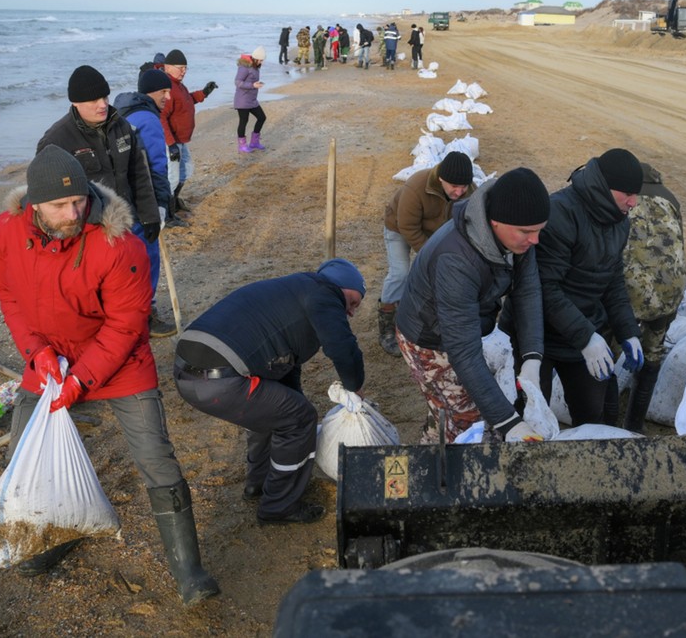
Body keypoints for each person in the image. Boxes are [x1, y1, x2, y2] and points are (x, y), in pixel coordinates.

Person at [0, 146, 219, 605]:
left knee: (156, 458)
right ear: (34, 204)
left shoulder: (120, 244)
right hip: (49, 359)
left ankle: (189, 572)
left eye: (78, 202)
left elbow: (127, 325)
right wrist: (36, 352)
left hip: (120, 362)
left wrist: (81, 381)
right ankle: (56, 534)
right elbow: (6, 292)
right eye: (59, 206)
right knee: (23, 455)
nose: (73, 213)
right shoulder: (7, 231)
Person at [173, 259, 366, 524]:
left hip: (187, 369)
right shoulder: (324, 292)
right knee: (300, 419)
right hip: (220, 379)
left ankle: (260, 484)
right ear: (341, 285)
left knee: (274, 410)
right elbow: (343, 346)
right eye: (353, 302)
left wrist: (294, 396)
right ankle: (279, 506)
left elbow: (286, 368)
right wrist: (355, 387)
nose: (352, 313)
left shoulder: (291, 292)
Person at [395, 167, 550, 444]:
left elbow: (527, 291)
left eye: (540, 230)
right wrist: (510, 424)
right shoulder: (456, 259)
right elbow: (463, 351)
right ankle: (446, 472)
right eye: (527, 232)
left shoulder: (517, 240)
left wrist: (532, 357)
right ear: (495, 222)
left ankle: (432, 442)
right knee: (469, 422)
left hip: (464, 327)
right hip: (429, 338)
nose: (535, 240)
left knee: (453, 404)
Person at [528, 149, 644, 427]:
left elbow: (613, 280)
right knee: (533, 416)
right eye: (627, 193)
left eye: (636, 193)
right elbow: (545, 289)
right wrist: (586, 338)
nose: (634, 202)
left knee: (593, 416)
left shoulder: (619, 222)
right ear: (604, 187)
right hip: (538, 337)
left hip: (584, 334)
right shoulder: (559, 214)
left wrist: (628, 331)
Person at [37, 65, 163, 276]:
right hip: (90, 228)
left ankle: (147, 306)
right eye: (94, 100)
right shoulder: (56, 141)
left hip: (130, 217)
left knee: (142, 266)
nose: (103, 105)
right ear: (75, 103)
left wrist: (151, 216)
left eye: (105, 97)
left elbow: (139, 174)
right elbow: (46, 198)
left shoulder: (122, 127)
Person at [379, 151, 476, 356]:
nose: (459, 192)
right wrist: (430, 255)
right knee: (401, 273)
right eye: (454, 187)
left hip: (437, 231)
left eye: (464, 187)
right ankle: (387, 321)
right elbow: (407, 226)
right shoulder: (416, 186)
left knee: (444, 272)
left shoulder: (469, 191)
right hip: (399, 227)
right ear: (441, 179)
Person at [620, 162, 686, 433]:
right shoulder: (670, 197)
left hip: (628, 293)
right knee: (652, 355)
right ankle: (634, 424)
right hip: (670, 292)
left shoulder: (623, 198)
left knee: (607, 346)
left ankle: (601, 417)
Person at [114, 68, 180, 338]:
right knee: (146, 258)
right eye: (163, 91)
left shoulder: (121, 112)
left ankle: (126, 314)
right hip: (143, 202)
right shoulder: (148, 119)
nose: (167, 96)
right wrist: (161, 204)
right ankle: (145, 315)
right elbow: (156, 165)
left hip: (121, 198)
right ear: (150, 92)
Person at [160, 48, 218, 215]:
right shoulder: (168, 88)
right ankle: (168, 214)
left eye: (185, 68)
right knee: (172, 178)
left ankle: (175, 202)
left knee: (186, 171)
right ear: (167, 67)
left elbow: (187, 101)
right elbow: (161, 117)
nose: (184, 71)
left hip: (181, 140)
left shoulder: (179, 85)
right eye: (180, 67)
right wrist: (170, 145)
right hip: (172, 141)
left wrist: (205, 92)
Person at [234, 47, 266, 153]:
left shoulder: (256, 66)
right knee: (244, 121)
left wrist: (257, 84)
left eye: (262, 60)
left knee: (262, 117)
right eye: (260, 60)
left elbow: (252, 80)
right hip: (242, 100)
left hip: (252, 99)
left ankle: (254, 142)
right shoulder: (244, 67)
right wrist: (253, 85)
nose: (261, 62)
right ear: (255, 58)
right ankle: (242, 146)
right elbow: (238, 82)